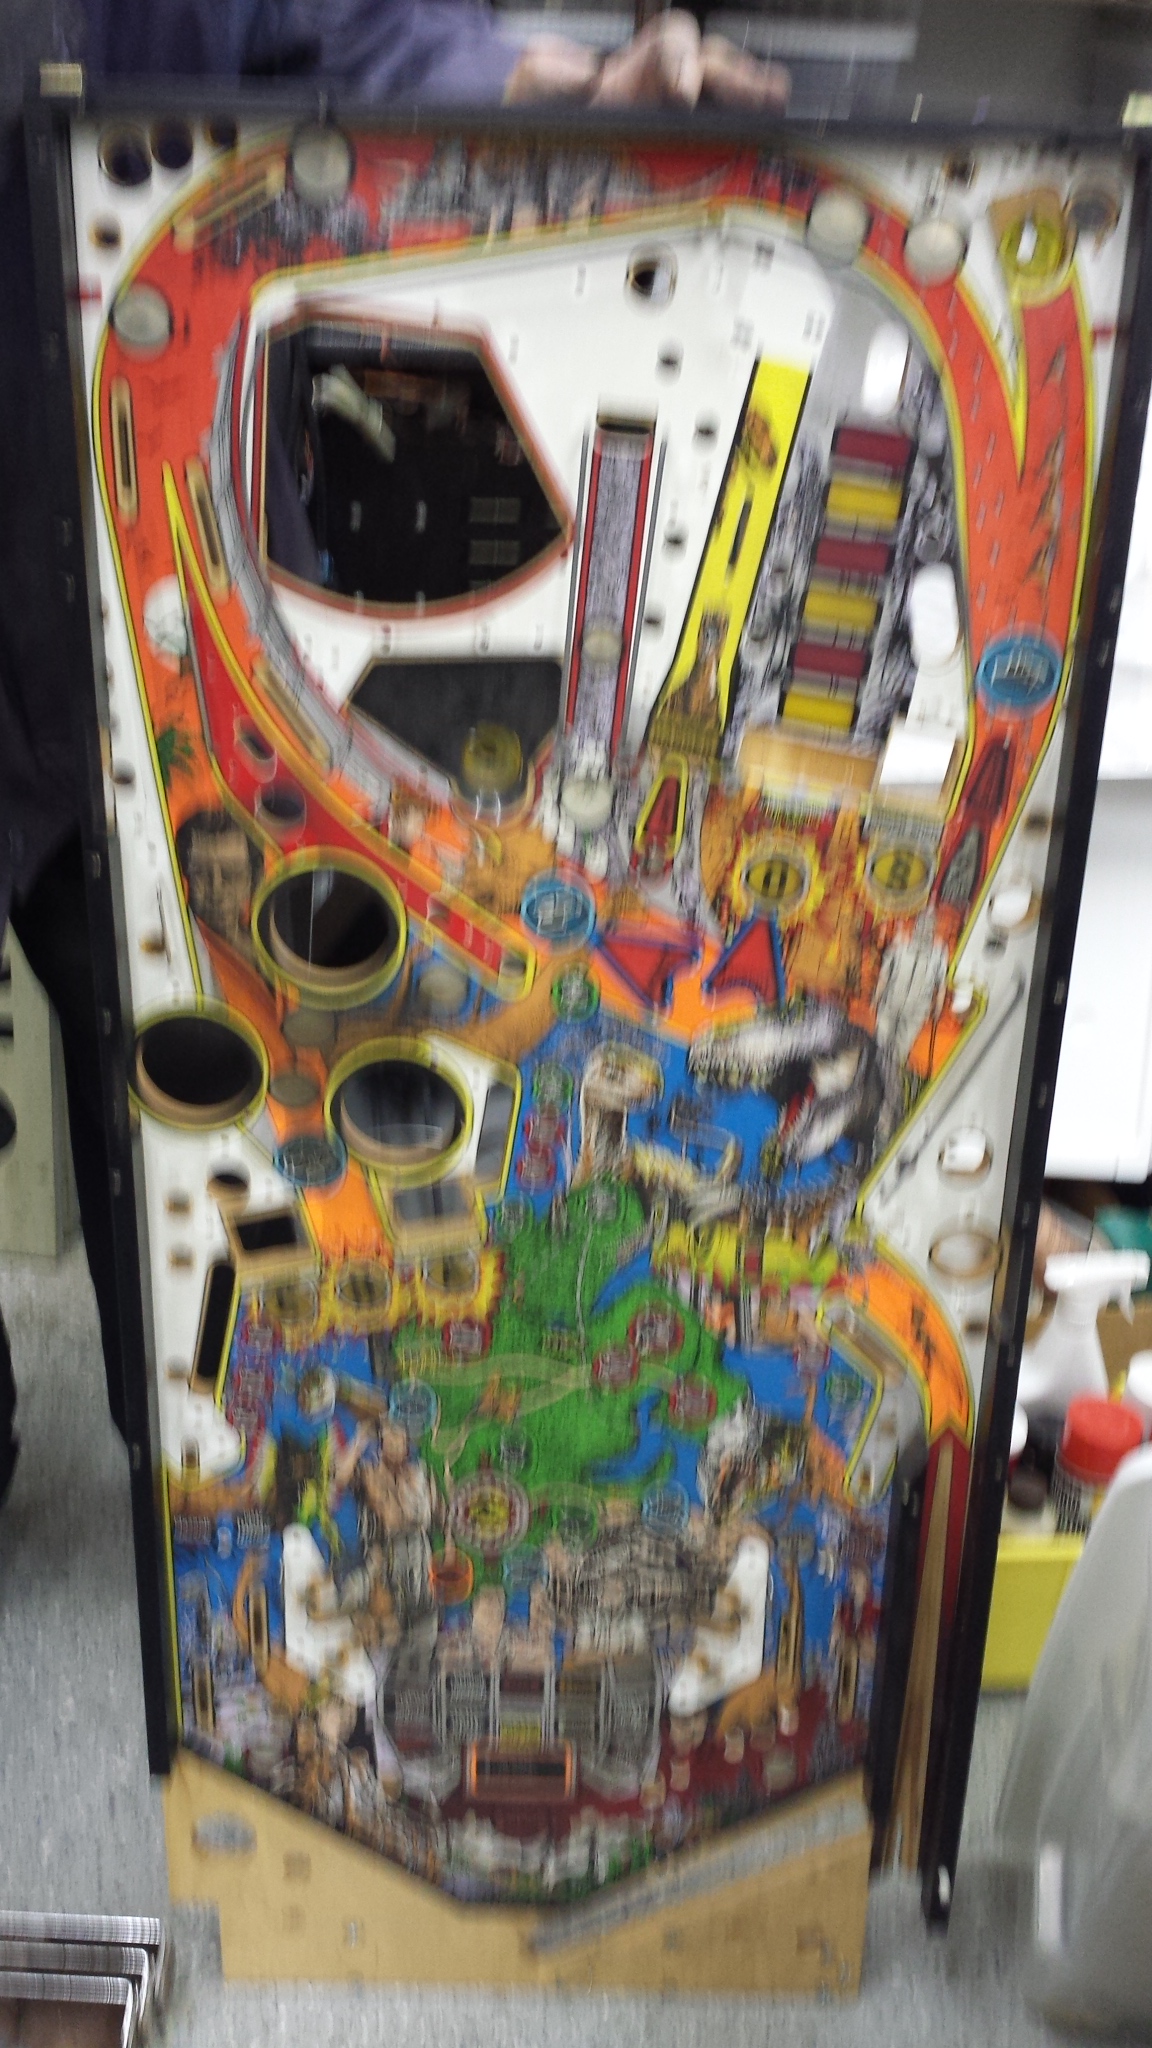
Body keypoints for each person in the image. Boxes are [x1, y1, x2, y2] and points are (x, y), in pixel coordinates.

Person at [0, 0, 788, 1508]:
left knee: (222, 1086)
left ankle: (222, 1471)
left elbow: (365, 34)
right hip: (141, 582)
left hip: (172, 603)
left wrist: (569, 86)